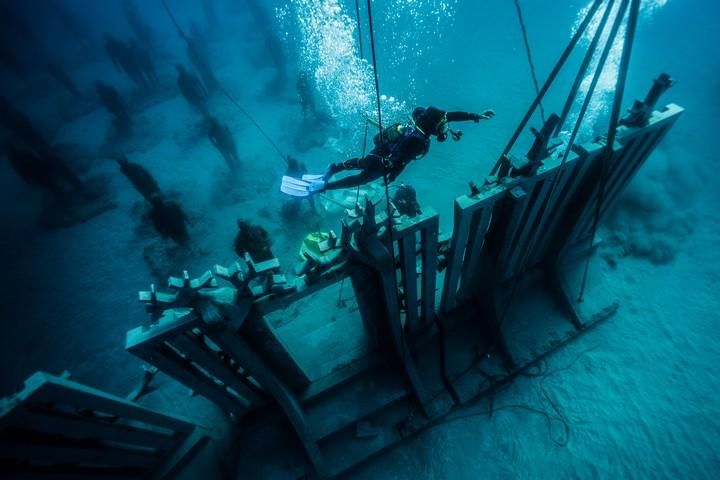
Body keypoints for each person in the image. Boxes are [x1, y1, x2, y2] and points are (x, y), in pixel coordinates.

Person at [281, 106, 494, 196]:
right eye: (443, 125)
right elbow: (404, 160)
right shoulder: (420, 140)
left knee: (363, 163)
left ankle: (332, 168)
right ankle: (323, 186)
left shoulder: (429, 119)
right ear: (434, 125)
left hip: (384, 150)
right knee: (362, 178)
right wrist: (392, 174)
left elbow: (452, 115)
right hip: (387, 159)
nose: (446, 128)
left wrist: (476, 116)